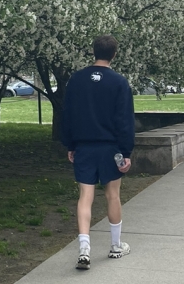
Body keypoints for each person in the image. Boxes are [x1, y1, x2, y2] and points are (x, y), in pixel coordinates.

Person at [60, 34, 135, 271]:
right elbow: (124, 120)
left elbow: (68, 115)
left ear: (94, 52)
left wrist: (70, 144)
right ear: (114, 54)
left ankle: (84, 249)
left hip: (84, 146)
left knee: (85, 196)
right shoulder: (119, 82)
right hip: (110, 147)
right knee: (112, 195)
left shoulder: (77, 80)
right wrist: (125, 151)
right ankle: (115, 246)